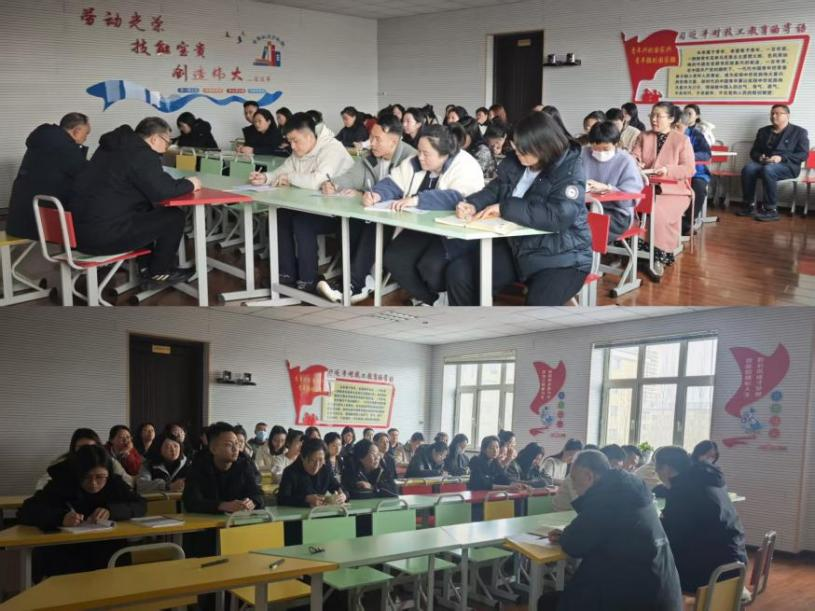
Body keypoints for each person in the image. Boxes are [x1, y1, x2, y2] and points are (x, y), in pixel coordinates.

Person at [447, 112, 592, 306]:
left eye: (522, 151)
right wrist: (473, 204)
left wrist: (504, 207)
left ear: (542, 147)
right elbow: (495, 189)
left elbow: (559, 216)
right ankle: (469, 323)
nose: (517, 154)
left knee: (537, 306)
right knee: (460, 273)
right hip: (518, 248)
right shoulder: (517, 162)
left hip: (562, 257)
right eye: (515, 148)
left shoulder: (569, 169)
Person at [67, 116, 202, 289]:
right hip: (102, 236)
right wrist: (190, 184)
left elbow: (150, 184)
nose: (166, 147)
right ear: (155, 138)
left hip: (77, 234)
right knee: (173, 217)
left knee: (146, 210)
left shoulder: (111, 148)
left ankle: (145, 267)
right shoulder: (141, 154)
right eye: (167, 142)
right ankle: (159, 272)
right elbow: (162, 191)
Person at [540, 450, 683, 611]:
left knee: (548, 602)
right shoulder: (632, 487)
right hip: (664, 595)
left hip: (635, 600)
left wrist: (566, 536)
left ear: (589, 476)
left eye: (574, 480)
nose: (573, 486)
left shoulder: (605, 499)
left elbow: (574, 545)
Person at [372, 124, 485, 306]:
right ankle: (430, 299)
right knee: (394, 259)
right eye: (419, 151)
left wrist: (417, 200)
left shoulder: (465, 165)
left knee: (430, 267)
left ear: (444, 153)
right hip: (421, 226)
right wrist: (377, 194)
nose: (420, 157)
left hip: (451, 232)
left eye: (426, 154)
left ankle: (441, 297)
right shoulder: (415, 162)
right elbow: (394, 182)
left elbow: (458, 198)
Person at [315, 114, 417, 303]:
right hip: (372, 211)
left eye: (377, 139)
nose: (372, 143)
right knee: (350, 222)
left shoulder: (411, 158)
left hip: (400, 219)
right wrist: (334, 184)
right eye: (371, 137)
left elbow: (407, 192)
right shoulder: (370, 156)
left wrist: (366, 194)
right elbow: (352, 176)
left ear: (394, 141)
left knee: (373, 226)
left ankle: (353, 285)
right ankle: (356, 280)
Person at [249, 112, 354, 292]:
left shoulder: (332, 149)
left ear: (309, 136)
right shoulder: (300, 149)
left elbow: (317, 181)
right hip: (313, 206)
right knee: (281, 215)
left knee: (302, 222)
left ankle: (308, 280)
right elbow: (283, 170)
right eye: (289, 141)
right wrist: (265, 177)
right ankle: (286, 275)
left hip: (340, 211)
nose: (292, 146)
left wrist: (289, 178)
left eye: (295, 141)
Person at [18, 445, 146, 579]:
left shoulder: (114, 483)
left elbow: (140, 505)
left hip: (107, 550)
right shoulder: (62, 482)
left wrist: (112, 511)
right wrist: (60, 517)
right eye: (86, 477)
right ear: (77, 473)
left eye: (100, 477)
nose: (93, 483)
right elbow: (27, 510)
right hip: (67, 552)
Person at [655, 446, 747, 593]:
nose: (657, 473)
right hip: (735, 561)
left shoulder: (683, 491)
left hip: (711, 572)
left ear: (666, 468)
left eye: (657, 469)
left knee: (652, 568)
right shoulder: (708, 480)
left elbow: (674, 535)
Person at [632, 102, 695, 277]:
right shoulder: (644, 136)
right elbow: (633, 156)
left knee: (657, 211)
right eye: (652, 115)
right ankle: (632, 251)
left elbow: (689, 169)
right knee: (627, 208)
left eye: (658, 116)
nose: (653, 119)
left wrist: (668, 170)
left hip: (674, 191)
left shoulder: (682, 140)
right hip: (646, 186)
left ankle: (657, 257)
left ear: (671, 119)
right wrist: (636, 162)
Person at [7, 113, 90, 240]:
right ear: (77, 131)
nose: (86, 138)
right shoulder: (65, 148)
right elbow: (86, 175)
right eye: (86, 133)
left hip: (19, 220)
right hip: (39, 223)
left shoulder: (44, 143)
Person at [738, 104, 809, 221]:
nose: (774, 116)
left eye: (778, 113)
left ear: (787, 116)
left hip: (788, 166)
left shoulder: (799, 132)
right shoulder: (763, 131)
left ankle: (771, 209)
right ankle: (748, 205)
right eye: (772, 113)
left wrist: (781, 158)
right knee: (748, 169)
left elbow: (803, 155)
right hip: (764, 163)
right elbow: (754, 151)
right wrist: (760, 157)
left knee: (769, 169)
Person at [582, 121, 645, 241]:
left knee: (584, 229)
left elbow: (631, 199)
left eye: (605, 148)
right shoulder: (583, 154)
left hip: (617, 214)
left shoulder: (626, 161)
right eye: (596, 148)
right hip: (587, 208)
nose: (600, 152)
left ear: (616, 144)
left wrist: (608, 189)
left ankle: (588, 253)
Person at [182, 422, 264, 514]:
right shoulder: (198, 466)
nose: (235, 449)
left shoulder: (244, 464)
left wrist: (252, 502)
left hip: (237, 519)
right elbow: (191, 502)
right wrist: (222, 505)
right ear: (213, 449)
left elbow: (258, 494)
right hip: (208, 521)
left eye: (237, 444)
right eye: (229, 445)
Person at [35, 428, 133, 491]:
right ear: (74, 448)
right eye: (82, 448)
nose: (87, 451)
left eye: (91, 447)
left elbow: (128, 482)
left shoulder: (109, 461)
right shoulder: (62, 462)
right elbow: (42, 485)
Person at [277, 438, 347, 507]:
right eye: (312, 460)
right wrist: (306, 499)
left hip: (319, 512)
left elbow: (338, 487)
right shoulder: (290, 472)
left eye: (321, 460)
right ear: (302, 458)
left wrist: (343, 495)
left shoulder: (325, 470)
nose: (316, 466)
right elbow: (282, 499)